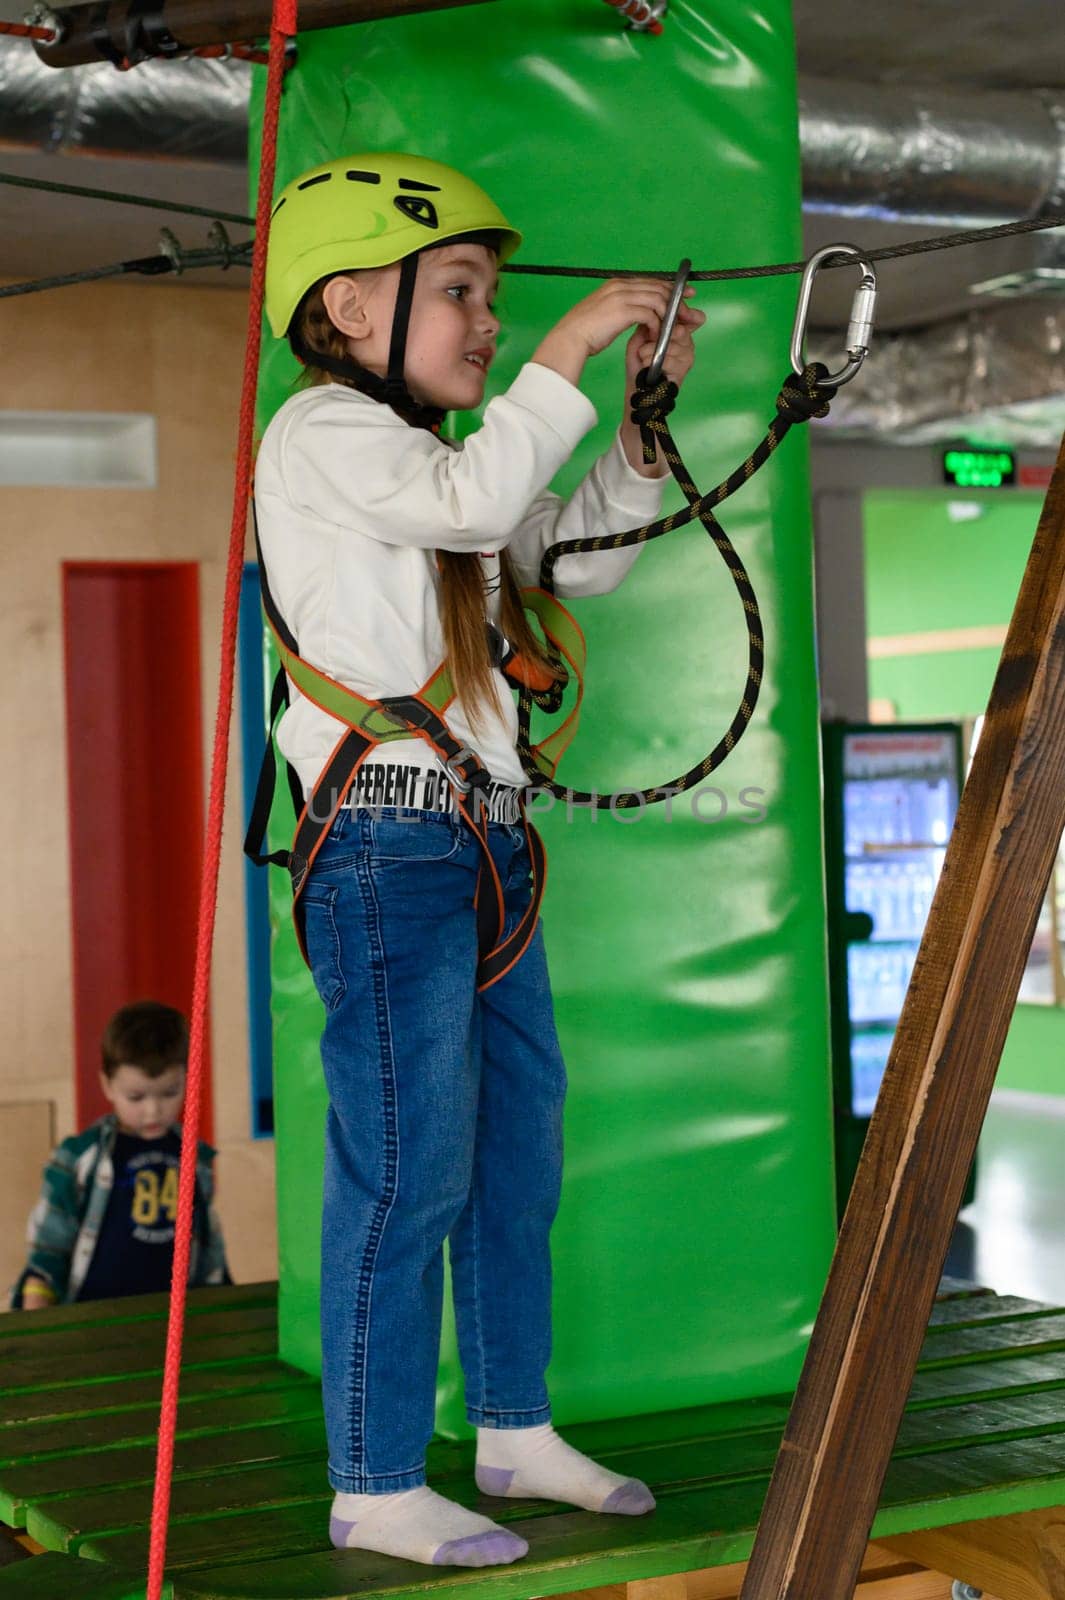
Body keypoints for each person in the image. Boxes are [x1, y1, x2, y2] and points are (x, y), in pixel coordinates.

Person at [255, 151, 704, 1569]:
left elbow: (562, 557)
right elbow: (464, 504)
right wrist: (576, 349)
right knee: (408, 1163)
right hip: (388, 846)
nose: (492, 320)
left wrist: (633, 439)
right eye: (459, 292)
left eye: (499, 301)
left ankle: (511, 1424)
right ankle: (377, 1480)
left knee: (515, 1152)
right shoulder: (322, 434)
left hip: (486, 840)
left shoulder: (445, 462)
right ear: (344, 305)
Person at [11, 1000, 229, 1310]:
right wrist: (37, 1303)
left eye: (170, 1092)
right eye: (136, 1097)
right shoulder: (78, 1157)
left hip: (171, 1319)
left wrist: (217, 1300)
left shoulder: (194, 1157)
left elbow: (208, 1245)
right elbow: (48, 1247)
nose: (153, 1110)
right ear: (107, 1085)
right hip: (92, 1316)